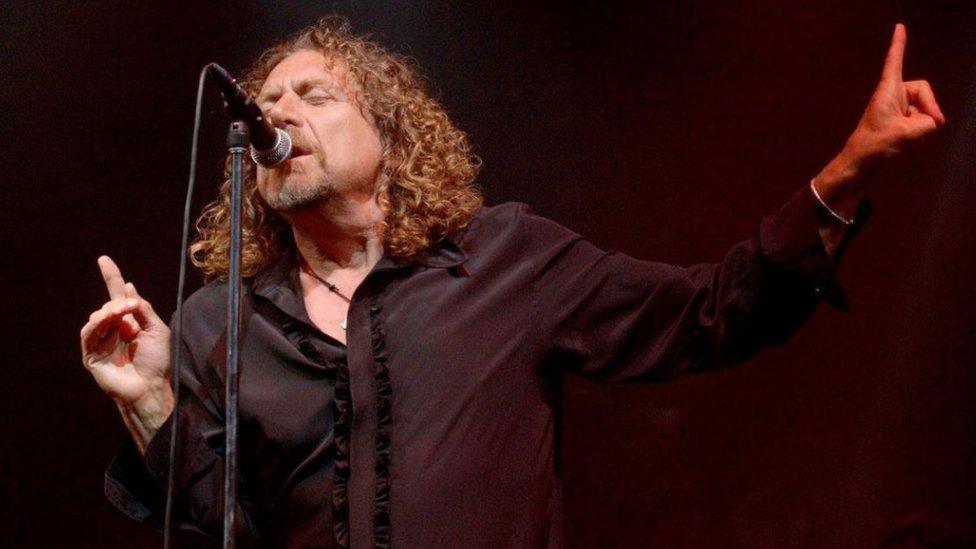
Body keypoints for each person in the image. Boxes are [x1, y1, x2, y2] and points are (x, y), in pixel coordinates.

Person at [80, 16, 945, 548]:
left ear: (392, 137)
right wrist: (152, 402)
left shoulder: (504, 259)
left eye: (315, 94)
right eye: (267, 103)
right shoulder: (218, 322)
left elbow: (711, 312)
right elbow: (228, 532)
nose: (276, 115)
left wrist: (848, 171)